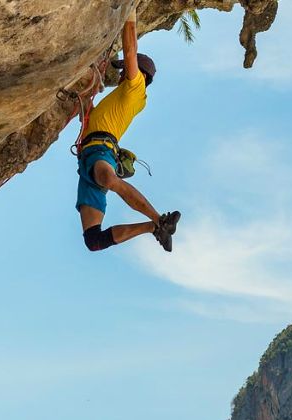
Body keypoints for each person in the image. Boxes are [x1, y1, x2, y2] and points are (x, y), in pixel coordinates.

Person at [75, 9, 179, 253]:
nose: (121, 73)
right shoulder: (124, 97)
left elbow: (130, 48)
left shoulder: (136, 88)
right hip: (89, 159)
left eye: (124, 70)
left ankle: (159, 220)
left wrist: (129, 11)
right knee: (93, 240)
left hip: (100, 151)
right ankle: (154, 228)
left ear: (138, 74)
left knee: (110, 180)